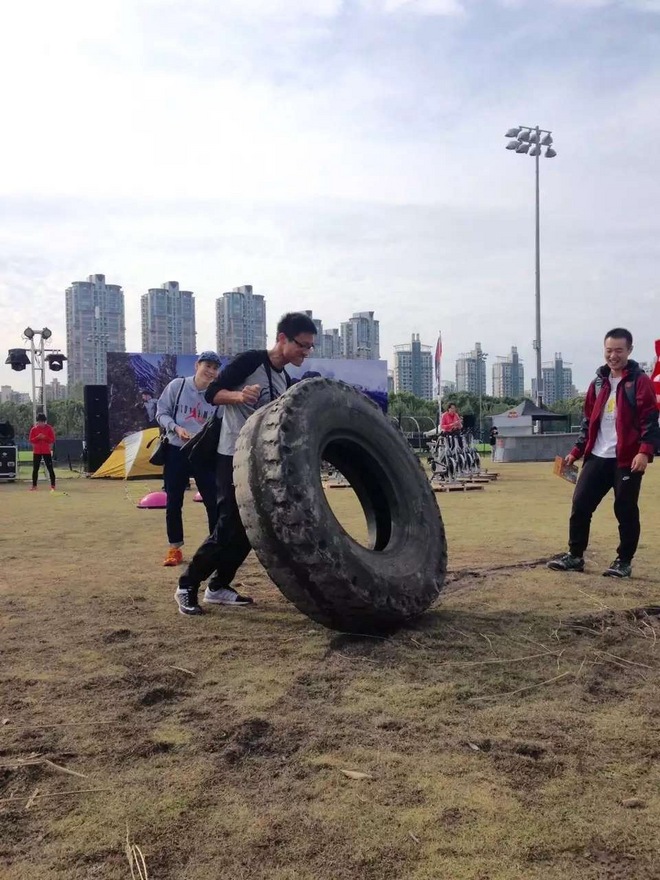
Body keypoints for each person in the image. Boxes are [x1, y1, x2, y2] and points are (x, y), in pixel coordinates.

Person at [174, 312, 317, 616]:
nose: (306, 352)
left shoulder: (284, 378)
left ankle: (219, 586)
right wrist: (239, 395)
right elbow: (212, 393)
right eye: (302, 346)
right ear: (282, 339)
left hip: (261, 462)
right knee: (227, 527)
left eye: (309, 348)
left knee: (254, 528)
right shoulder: (250, 361)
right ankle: (187, 584)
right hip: (231, 455)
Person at [547, 328, 659, 578]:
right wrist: (576, 451)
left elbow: (650, 420)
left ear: (629, 350)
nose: (613, 355)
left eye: (619, 350)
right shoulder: (598, 383)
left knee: (625, 509)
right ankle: (575, 556)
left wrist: (644, 452)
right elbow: (589, 421)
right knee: (580, 504)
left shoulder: (639, 382)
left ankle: (624, 561)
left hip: (626, 460)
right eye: (609, 350)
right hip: (597, 457)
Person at [156, 352, 224, 567]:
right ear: (197, 365)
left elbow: (221, 423)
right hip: (177, 449)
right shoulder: (178, 386)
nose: (211, 371)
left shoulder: (217, 395)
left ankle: (216, 548)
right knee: (173, 501)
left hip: (203, 454)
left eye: (215, 367)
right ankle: (174, 548)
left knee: (214, 502)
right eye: (207, 366)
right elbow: (161, 413)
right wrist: (176, 428)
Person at [29, 413, 56, 491]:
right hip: (37, 451)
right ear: (38, 422)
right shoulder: (34, 429)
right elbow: (31, 440)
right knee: (35, 469)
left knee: (50, 468)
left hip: (46, 451)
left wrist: (45, 437)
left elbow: (52, 439)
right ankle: (34, 486)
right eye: (40, 422)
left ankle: (53, 485)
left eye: (43, 422)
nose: (42, 423)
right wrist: (38, 437)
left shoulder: (49, 428)